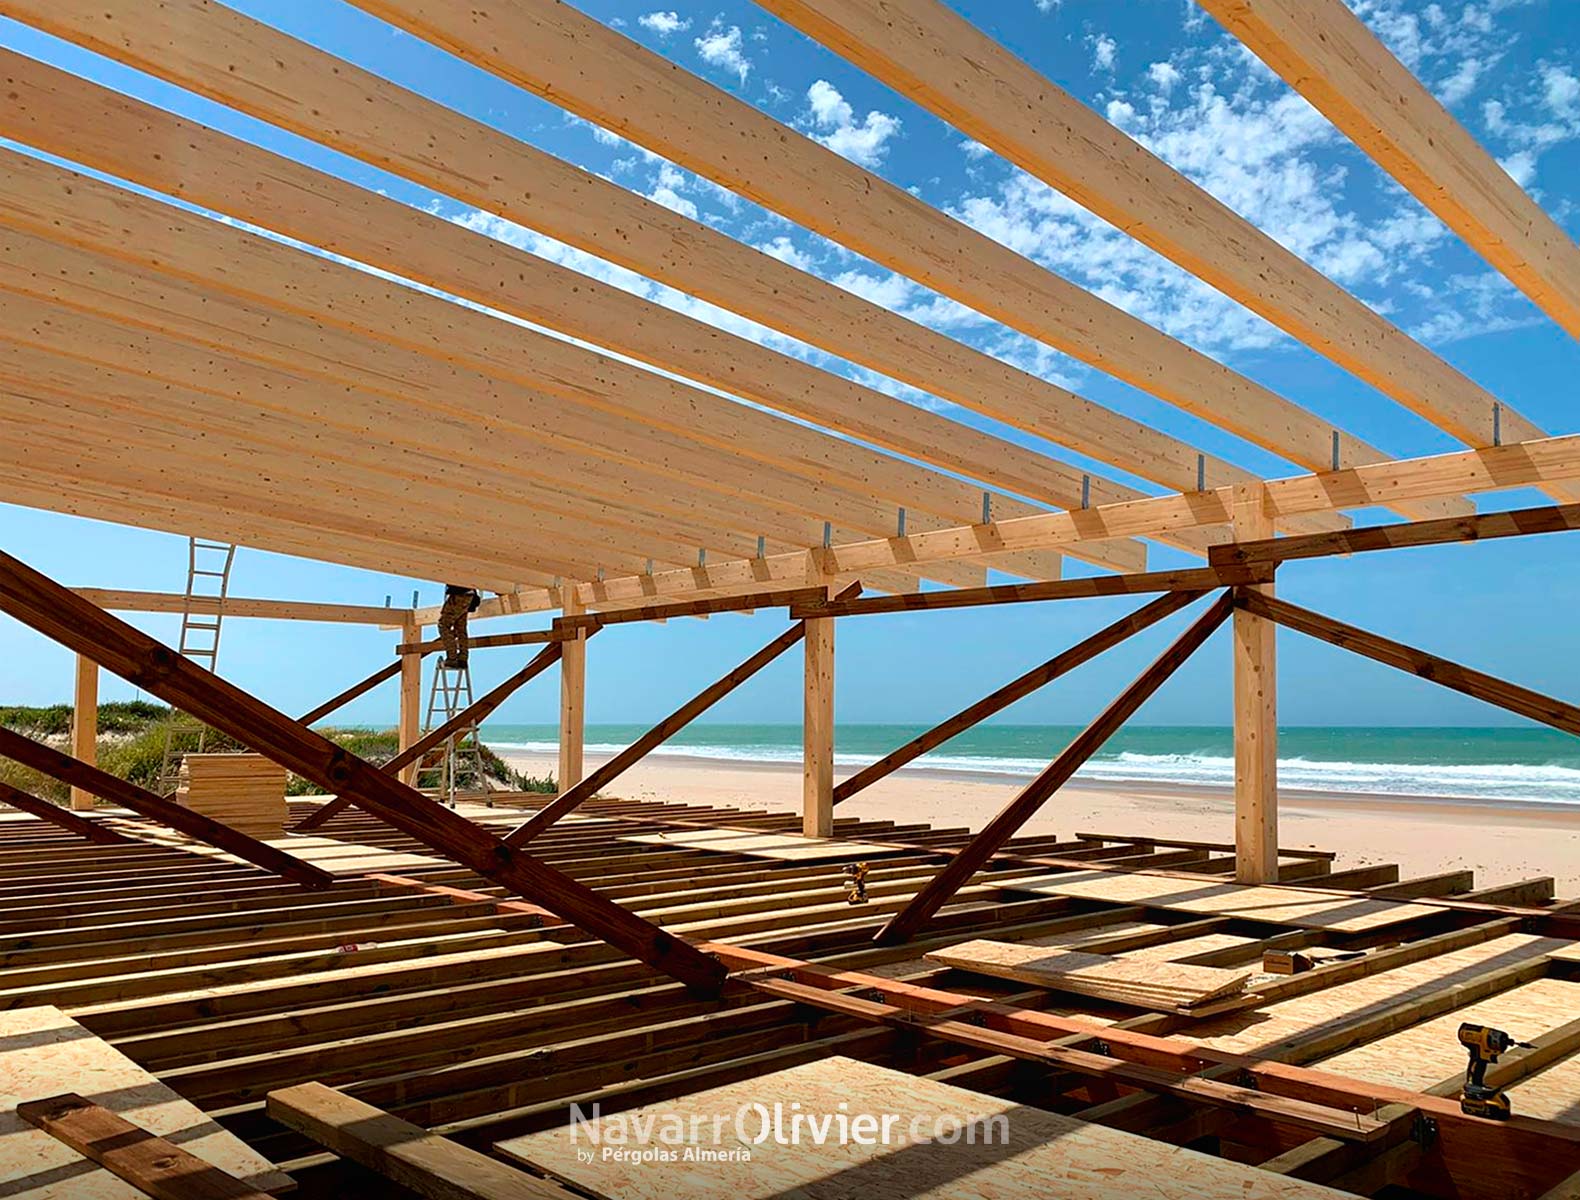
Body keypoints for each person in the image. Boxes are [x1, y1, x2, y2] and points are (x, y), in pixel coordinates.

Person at [437, 584, 482, 669]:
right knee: (460, 628)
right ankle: (462, 659)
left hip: (459, 595)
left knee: (443, 625)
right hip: (468, 596)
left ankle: (452, 659)